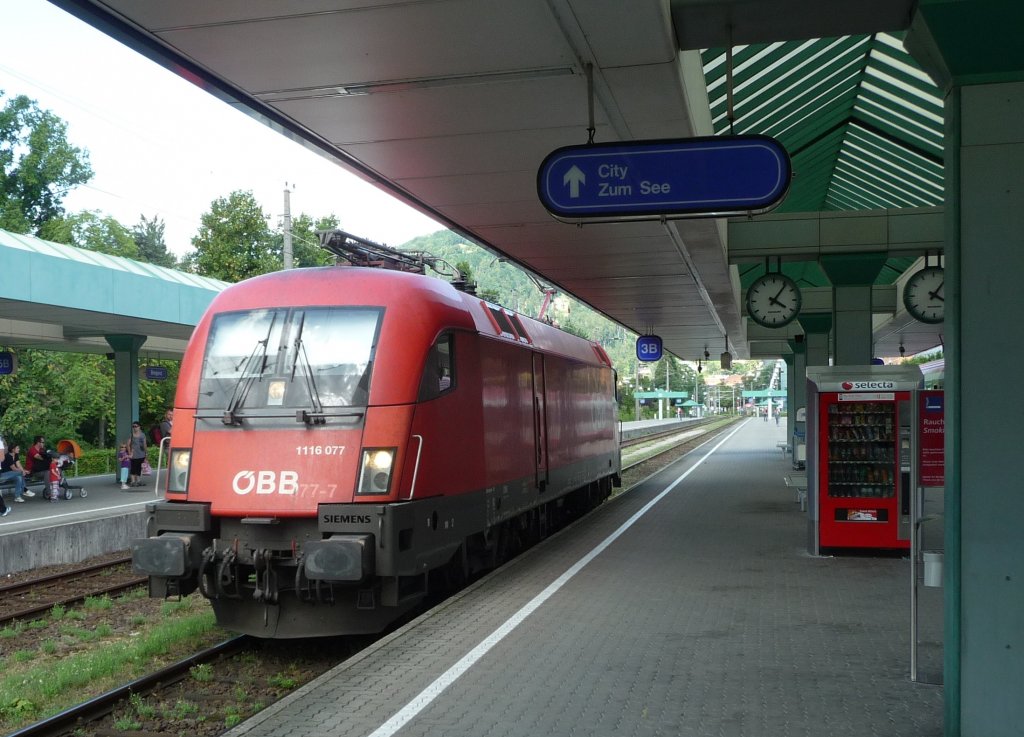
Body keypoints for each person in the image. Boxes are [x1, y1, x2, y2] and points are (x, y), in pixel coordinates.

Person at [128, 422, 148, 487]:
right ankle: (133, 481)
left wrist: (146, 453)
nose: (134, 428)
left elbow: (145, 444)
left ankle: (138, 481)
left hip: (141, 454)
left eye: (136, 426)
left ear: (139, 427)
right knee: (133, 468)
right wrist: (129, 453)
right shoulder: (131, 435)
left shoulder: (142, 435)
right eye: (133, 426)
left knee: (139, 468)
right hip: (134, 455)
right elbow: (127, 444)